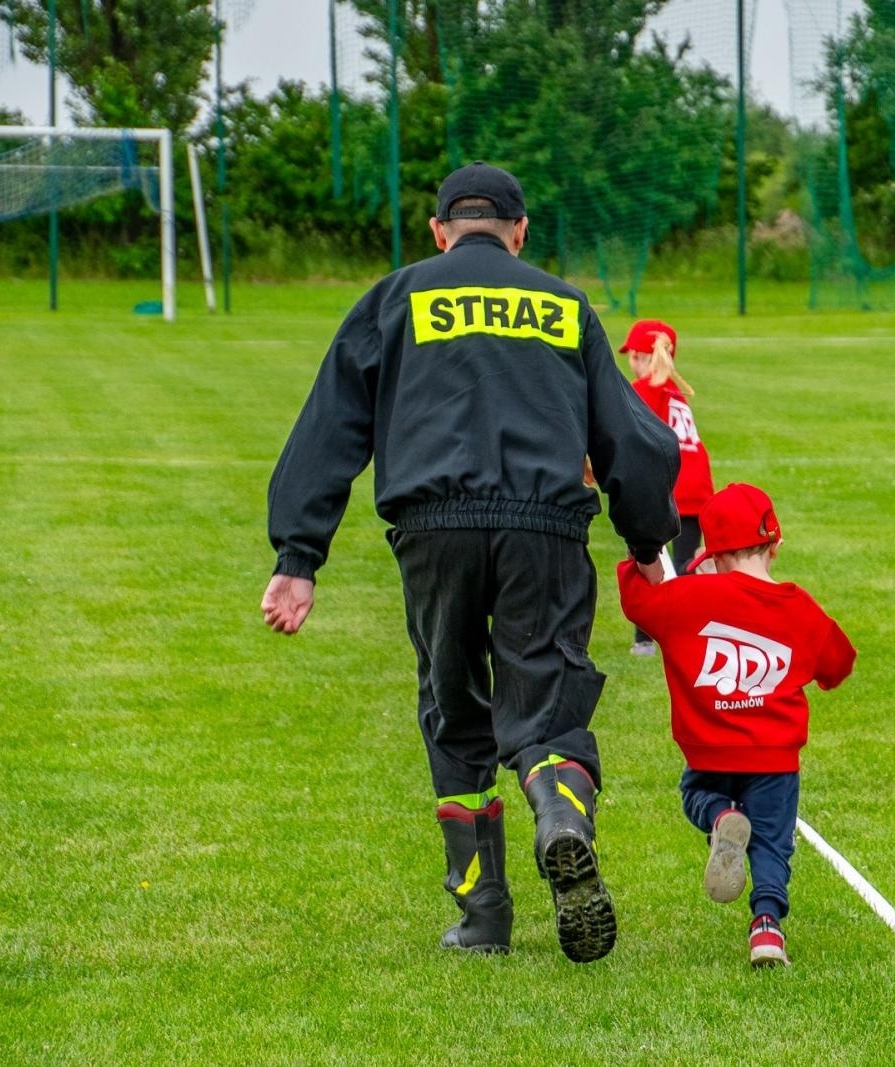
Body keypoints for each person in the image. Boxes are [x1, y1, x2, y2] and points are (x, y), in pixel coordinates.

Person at [262, 161, 679, 964]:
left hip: (433, 527)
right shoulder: (562, 304)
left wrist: (298, 554)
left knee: (454, 706)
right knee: (549, 699)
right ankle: (559, 808)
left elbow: (330, 423)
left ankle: (483, 915)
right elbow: (628, 438)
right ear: (521, 232)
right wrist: (647, 540)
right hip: (545, 526)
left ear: (439, 230)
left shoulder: (397, 297)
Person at [616, 482, 856, 968]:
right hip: (773, 757)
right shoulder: (798, 607)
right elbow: (839, 664)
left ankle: (721, 816)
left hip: (708, 754)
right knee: (772, 842)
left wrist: (651, 566)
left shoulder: (686, 597)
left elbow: (638, 600)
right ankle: (766, 927)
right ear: (775, 545)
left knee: (695, 796)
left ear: (709, 553)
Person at [618, 319, 715, 656]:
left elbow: (632, 439)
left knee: (645, 559)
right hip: (697, 487)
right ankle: (693, 628)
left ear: (635, 355)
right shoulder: (675, 395)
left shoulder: (641, 389)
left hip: (667, 485)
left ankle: (645, 639)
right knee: (687, 561)